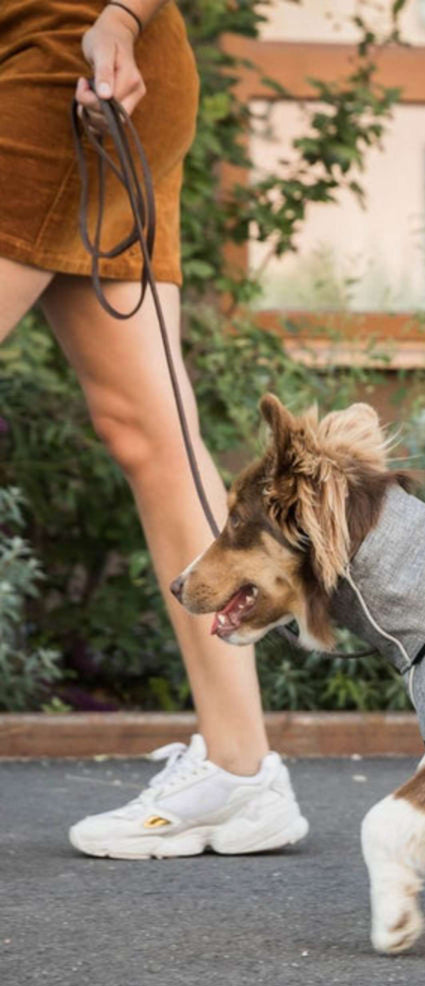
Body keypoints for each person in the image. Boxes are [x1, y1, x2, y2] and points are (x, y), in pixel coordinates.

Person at [0, 0, 308, 857]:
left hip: (71, 56)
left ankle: (239, 772)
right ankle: (240, 771)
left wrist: (124, 17)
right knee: (148, 430)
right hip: (54, 64)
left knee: (154, 430)